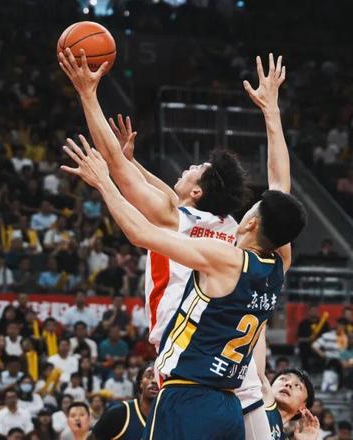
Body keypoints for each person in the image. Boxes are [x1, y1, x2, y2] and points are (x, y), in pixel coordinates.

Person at [59, 49, 296, 439]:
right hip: (240, 376)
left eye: (195, 169)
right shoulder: (245, 238)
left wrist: (87, 94)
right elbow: (279, 187)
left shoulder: (173, 218)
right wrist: (272, 112)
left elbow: (117, 171)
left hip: (190, 365)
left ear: (198, 192)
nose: (188, 167)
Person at [91, 363, 158, 440]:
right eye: (149, 376)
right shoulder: (118, 413)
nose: (155, 381)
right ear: (140, 383)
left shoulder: (168, 419)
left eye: (160, 378)